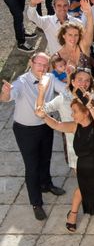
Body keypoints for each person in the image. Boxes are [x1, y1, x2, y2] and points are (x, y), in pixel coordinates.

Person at [36, 98, 94, 246]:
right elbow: (57, 125)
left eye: (75, 112)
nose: (72, 115)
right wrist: (44, 116)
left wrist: (91, 106)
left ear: (86, 112)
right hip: (84, 170)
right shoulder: (75, 127)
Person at [0, 53, 67, 220]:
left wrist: (73, 78)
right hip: (25, 130)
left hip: (45, 125)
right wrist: (6, 93)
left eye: (45, 65)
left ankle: (46, 184)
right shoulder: (21, 82)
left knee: (46, 158)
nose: (42, 68)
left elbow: (65, 91)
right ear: (31, 63)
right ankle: (36, 203)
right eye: (39, 64)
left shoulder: (50, 78)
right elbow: (8, 98)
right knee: (32, 166)